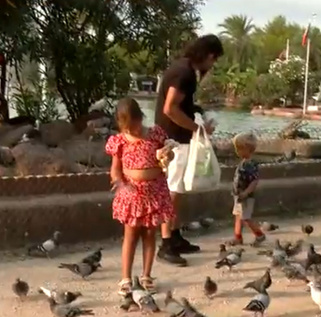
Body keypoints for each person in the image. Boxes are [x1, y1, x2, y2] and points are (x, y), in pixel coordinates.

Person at [154, 34, 224, 266]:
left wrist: (196, 116)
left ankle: (174, 235)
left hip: (174, 136)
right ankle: (165, 243)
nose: (212, 65)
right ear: (208, 55)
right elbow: (170, 108)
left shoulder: (181, 68)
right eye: (214, 60)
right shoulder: (185, 73)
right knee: (173, 190)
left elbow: (178, 105)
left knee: (179, 189)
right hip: (174, 139)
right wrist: (198, 129)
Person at [105, 97, 175, 294]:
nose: (132, 132)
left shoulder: (155, 134)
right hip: (132, 193)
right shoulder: (120, 141)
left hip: (154, 192)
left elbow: (168, 157)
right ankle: (126, 278)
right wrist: (119, 183)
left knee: (150, 234)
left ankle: (146, 275)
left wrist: (168, 154)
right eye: (127, 129)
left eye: (134, 127)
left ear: (140, 118)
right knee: (130, 234)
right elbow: (115, 169)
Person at [229, 132, 265, 246]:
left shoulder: (250, 164)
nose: (237, 151)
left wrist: (246, 192)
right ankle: (238, 237)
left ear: (248, 149)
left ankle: (259, 234)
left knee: (245, 218)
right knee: (238, 216)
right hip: (239, 195)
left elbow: (254, 181)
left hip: (245, 197)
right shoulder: (244, 163)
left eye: (239, 149)